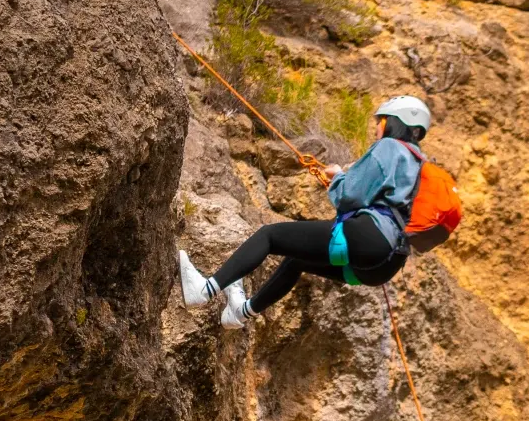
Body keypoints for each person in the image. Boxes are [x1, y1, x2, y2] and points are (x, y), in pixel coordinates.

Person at [177, 96, 457, 328]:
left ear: (395, 123)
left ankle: (205, 290)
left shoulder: (389, 147)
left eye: (381, 122)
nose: (377, 129)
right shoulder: (418, 163)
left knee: (270, 236)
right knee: (296, 261)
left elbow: (350, 197)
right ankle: (240, 313)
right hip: (386, 264)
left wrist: (337, 178)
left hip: (370, 238)